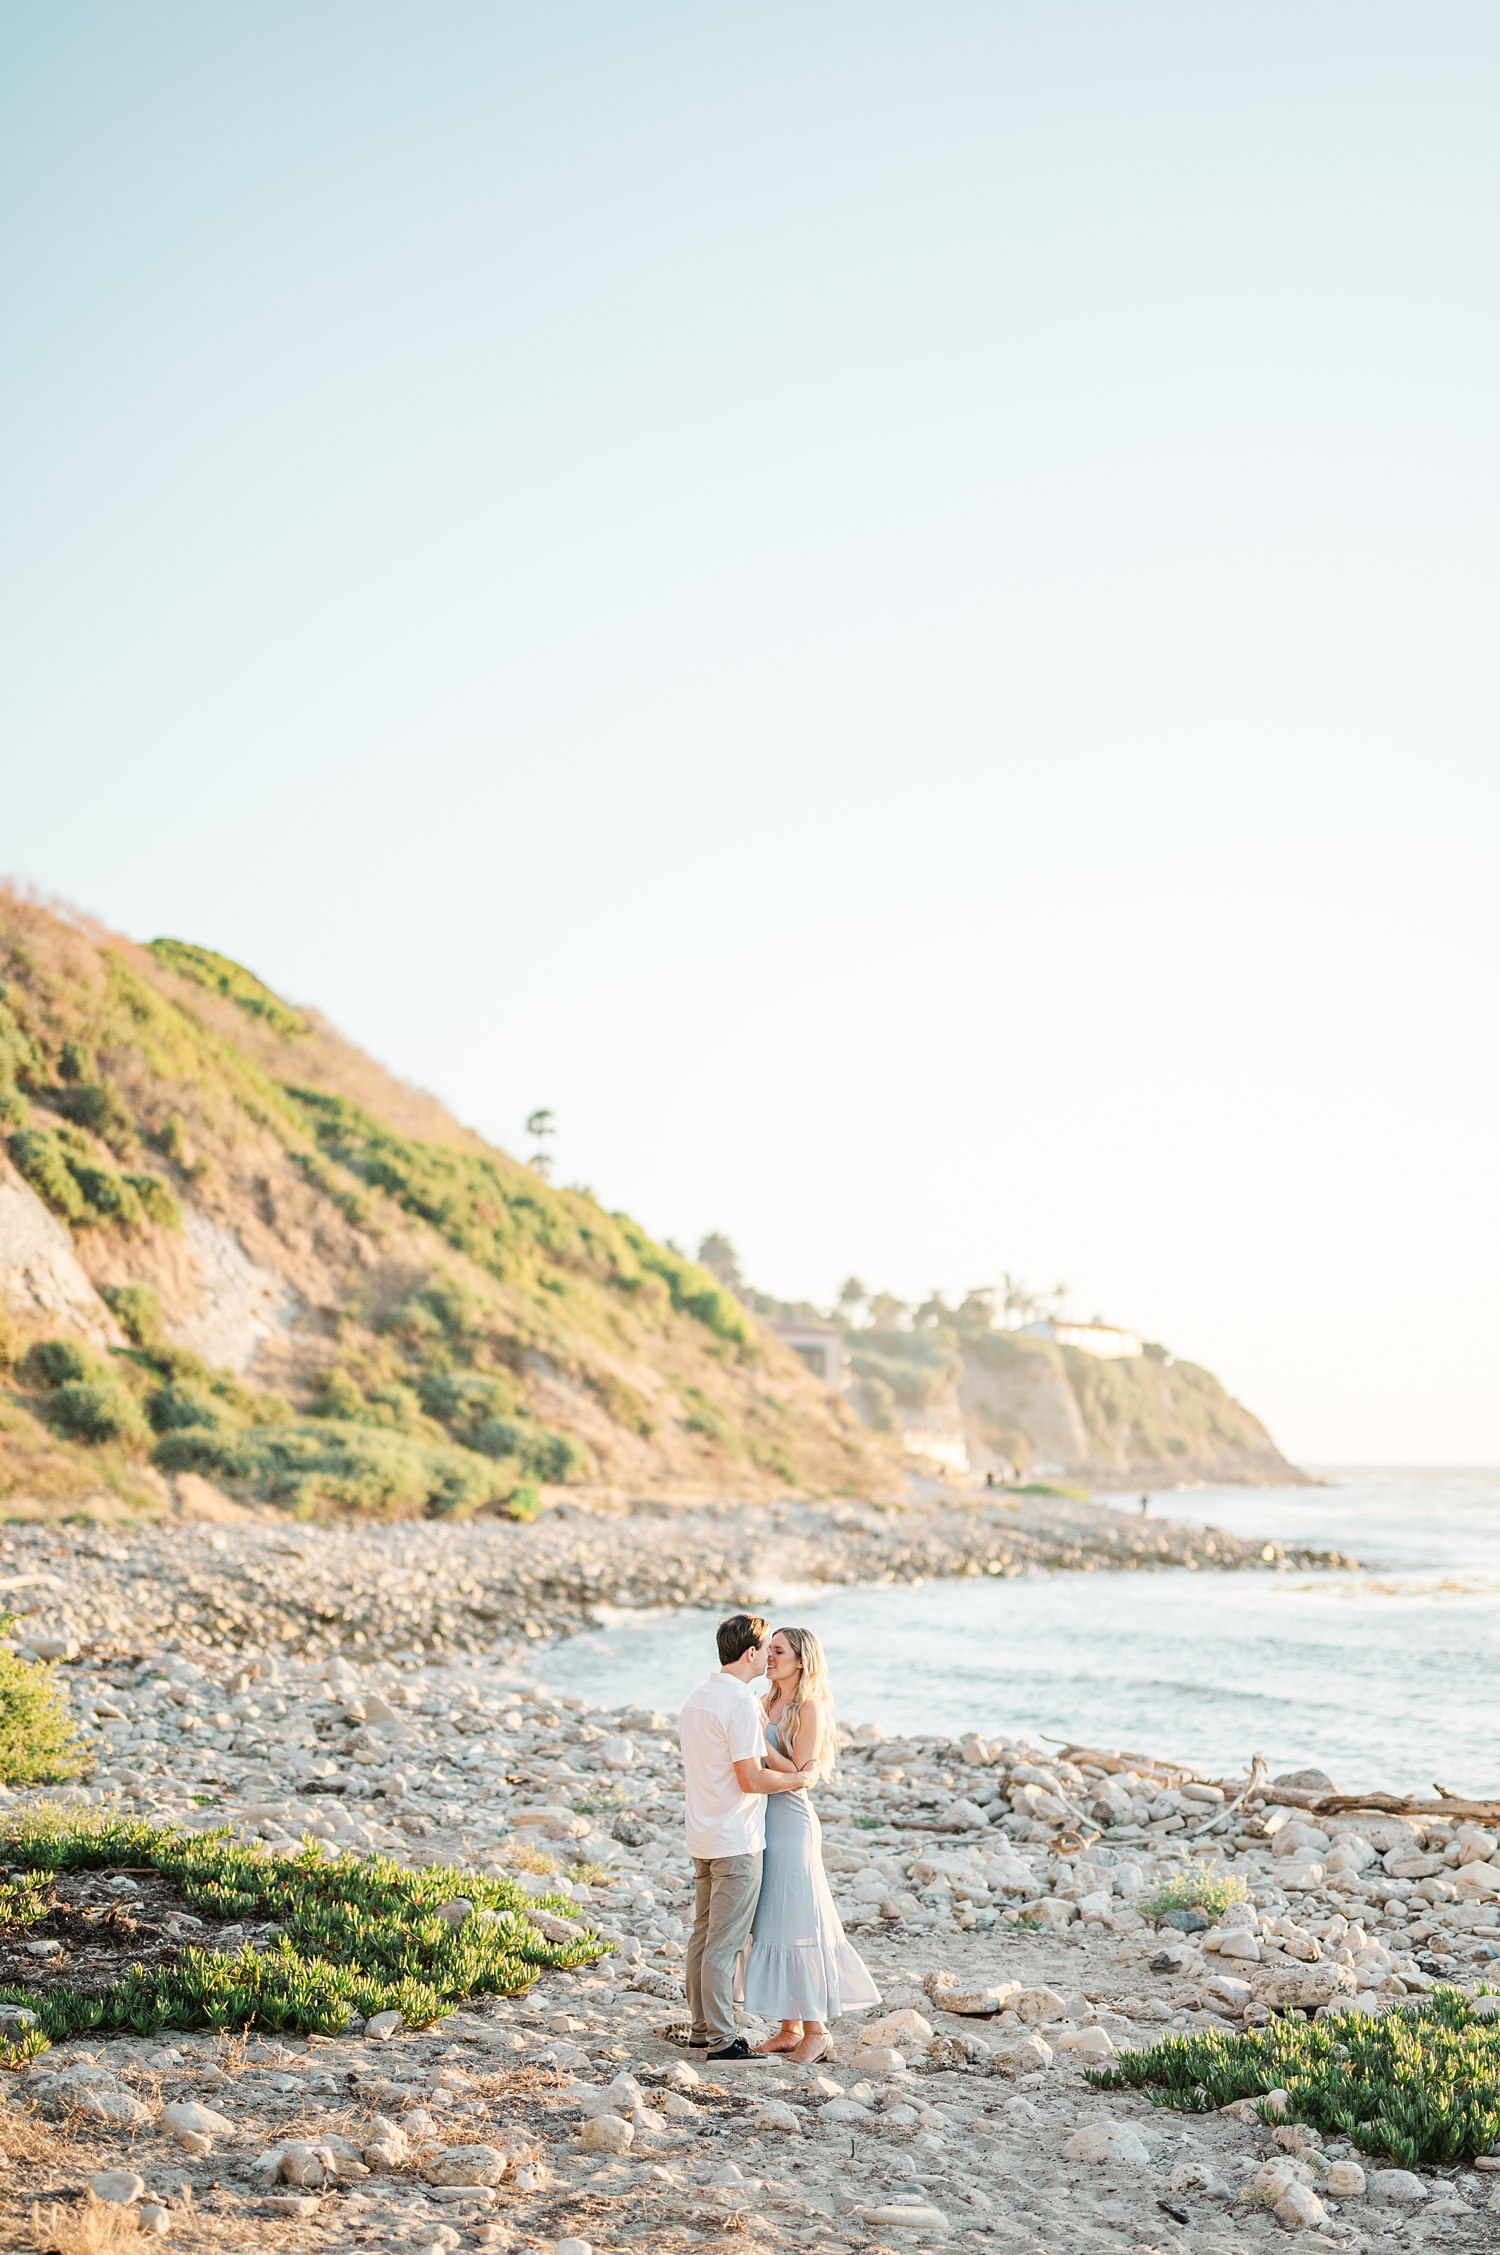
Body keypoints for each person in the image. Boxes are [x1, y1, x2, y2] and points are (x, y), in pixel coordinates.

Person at [740, 1626, 880, 2064]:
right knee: (773, 1921)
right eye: (769, 1649)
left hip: (792, 1824)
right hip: (761, 1819)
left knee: (800, 1920)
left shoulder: (809, 1708)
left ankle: (817, 2032)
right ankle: (789, 2029)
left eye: (779, 1651)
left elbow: (801, 1774)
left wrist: (759, 1739)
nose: (769, 1656)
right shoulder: (764, 1703)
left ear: (801, 1661)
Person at [678, 1612, 810, 2062]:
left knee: (702, 1936)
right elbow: (751, 1778)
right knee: (725, 1943)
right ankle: (721, 2040)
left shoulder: (698, 1698)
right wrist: (798, 1780)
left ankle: (701, 2030)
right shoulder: (739, 1703)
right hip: (735, 1838)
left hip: (702, 1833)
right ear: (750, 1653)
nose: (769, 1656)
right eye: (767, 1649)